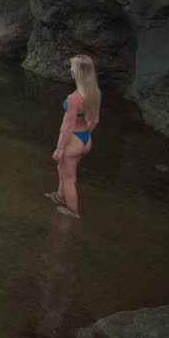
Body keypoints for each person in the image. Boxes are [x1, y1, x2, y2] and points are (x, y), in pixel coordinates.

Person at [45, 55, 101, 218]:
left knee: (70, 179)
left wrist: (59, 148)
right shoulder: (95, 93)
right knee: (62, 168)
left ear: (80, 72)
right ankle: (59, 196)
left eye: (73, 67)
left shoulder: (74, 98)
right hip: (85, 138)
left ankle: (72, 211)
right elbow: (95, 120)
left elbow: (67, 127)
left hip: (73, 140)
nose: (70, 69)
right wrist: (85, 135)